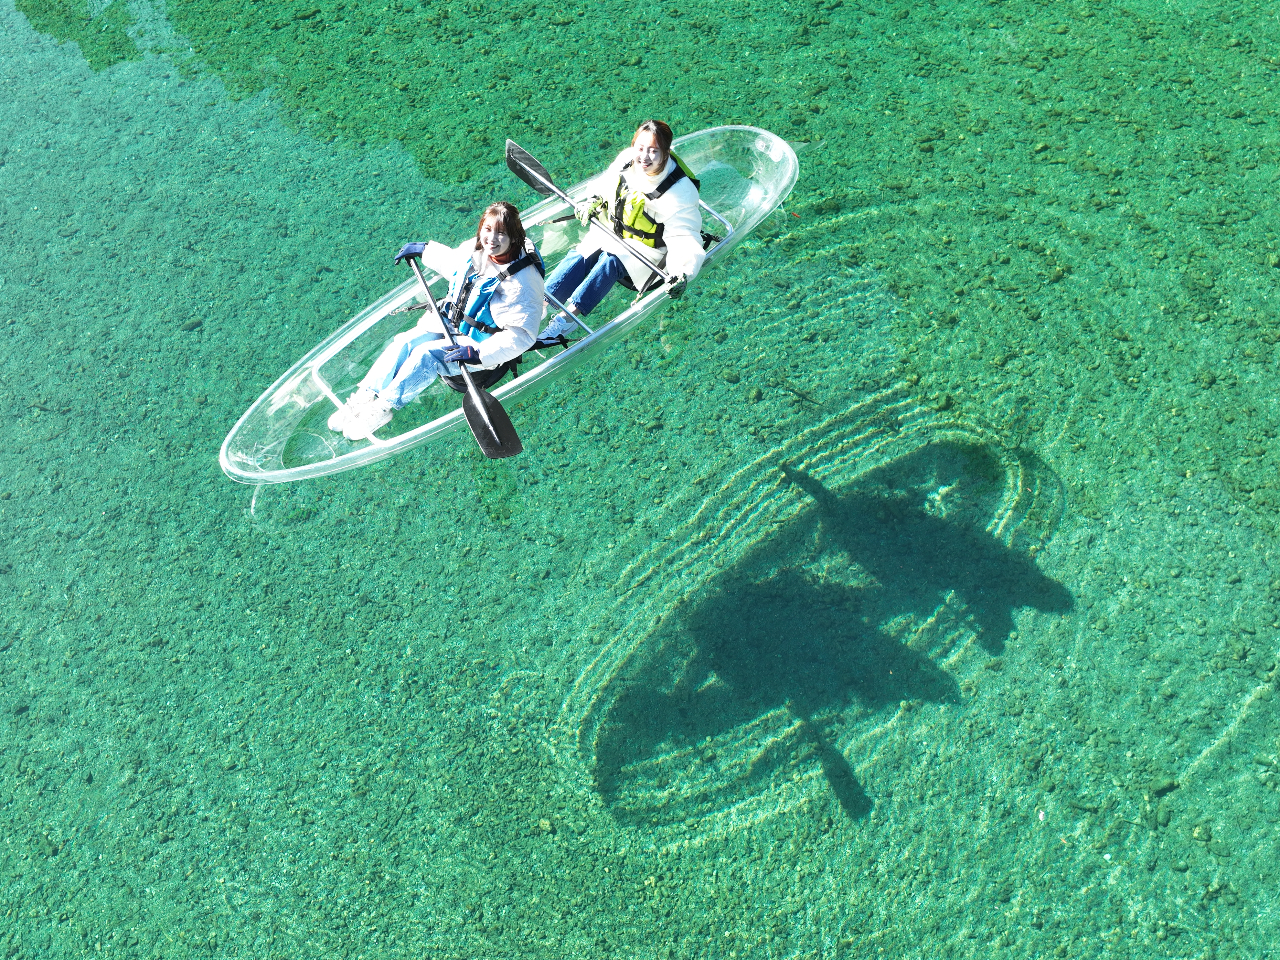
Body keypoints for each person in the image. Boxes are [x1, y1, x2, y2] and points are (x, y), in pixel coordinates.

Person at [329, 202, 545, 440]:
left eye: (501, 233)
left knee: (426, 355)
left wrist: (479, 354)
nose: (491, 238)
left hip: (477, 344)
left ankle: (383, 408)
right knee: (405, 342)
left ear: (514, 237)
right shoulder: (479, 250)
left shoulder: (522, 284)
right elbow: (454, 264)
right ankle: (365, 397)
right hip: (450, 321)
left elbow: (522, 336)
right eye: (487, 229)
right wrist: (425, 250)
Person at [539, 120, 705, 342]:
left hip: (646, 252)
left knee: (611, 260)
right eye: (640, 148)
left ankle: (566, 320)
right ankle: (540, 304)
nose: (644, 157)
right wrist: (592, 201)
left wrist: (682, 272)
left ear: (665, 153)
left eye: (653, 151)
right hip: (612, 230)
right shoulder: (627, 159)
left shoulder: (679, 192)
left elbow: (685, 237)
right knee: (581, 255)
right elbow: (604, 184)